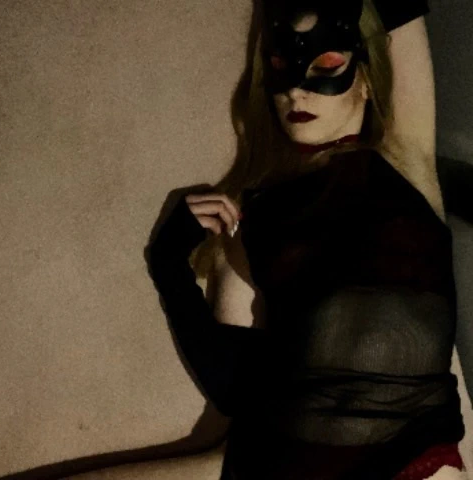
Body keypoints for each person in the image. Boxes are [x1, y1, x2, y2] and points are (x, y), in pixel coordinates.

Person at [146, 0, 472, 478]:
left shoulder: (405, 162)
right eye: (283, 69)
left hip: (409, 460)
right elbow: (237, 390)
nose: (297, 91)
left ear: (365, 78)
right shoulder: (252, 217)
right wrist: (168, 262)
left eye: (325, 66)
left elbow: (402, 9)